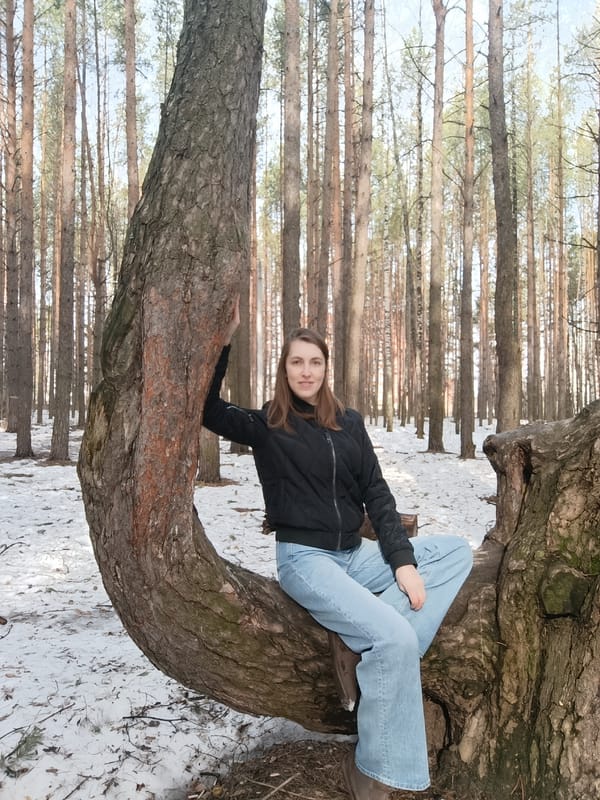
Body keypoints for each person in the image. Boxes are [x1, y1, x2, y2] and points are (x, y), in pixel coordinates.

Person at [202, 300, 473, 800]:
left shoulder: (349, 423)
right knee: (394, 639)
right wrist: (224, 338)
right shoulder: (267, 424)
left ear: (327, 369)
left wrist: (404, 562)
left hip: (356, 555)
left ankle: (359, 638)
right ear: (284, 370)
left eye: (315, 362)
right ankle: (370, 773)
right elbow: (208, 410)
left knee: (455, 551)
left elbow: (377, 493)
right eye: (296, 362)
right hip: (306, 562)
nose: (306, 371)